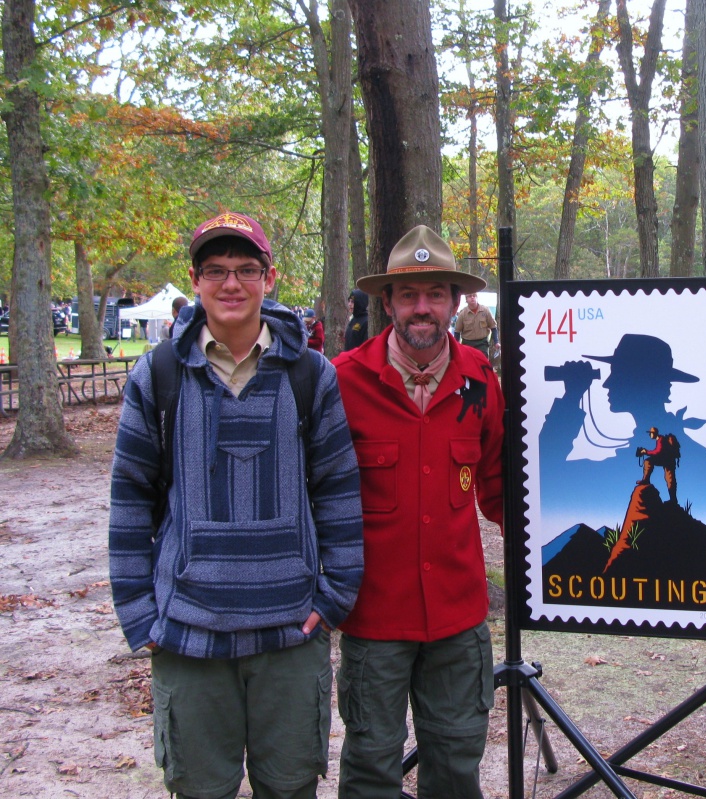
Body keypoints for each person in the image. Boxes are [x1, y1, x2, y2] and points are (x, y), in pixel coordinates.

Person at [108, 211, 364, 799]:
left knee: (291, 787)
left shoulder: (310, 374)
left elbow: (337, 491)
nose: (231, 284)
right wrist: (140, 614)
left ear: (268, 278)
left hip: (289, 634)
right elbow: (130, 499)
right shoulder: (161, 374)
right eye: (216, 270)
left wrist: (334, 596)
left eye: (246, 269)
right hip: (188, 638)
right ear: (194, 280)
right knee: (199, 789)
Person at [332, 225, 504, 799]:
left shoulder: (481, 382)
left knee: (455, 769)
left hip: (458, 622)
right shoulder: (343, 382)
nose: (422, 307)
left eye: (434, 293)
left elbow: (501, 488)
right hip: (373, 618)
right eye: (409, 295)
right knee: (371, 768)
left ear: (455, 302)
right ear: (388, 303)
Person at [540, 334, 706, 534]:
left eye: (617, 374)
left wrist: (572, 397)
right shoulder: (685, 449)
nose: (607, 383)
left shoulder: (651, 454)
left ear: (640, 381)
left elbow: (545, 470)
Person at [454, 290, 498, 361]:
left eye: (474, 296)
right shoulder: (462, 314)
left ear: (477, 298)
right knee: (468, 366)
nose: (472, 298)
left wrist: (496, 342)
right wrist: (455, 347)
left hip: (482, 343)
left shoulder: (485, 310)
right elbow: (457, 332)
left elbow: (493, 327)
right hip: (467, 344)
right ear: (466, 300)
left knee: (483, 365)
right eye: (470, 296)